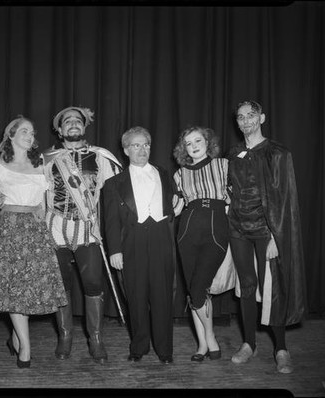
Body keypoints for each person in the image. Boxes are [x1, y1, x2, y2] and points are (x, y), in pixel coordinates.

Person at [0, 116, 68, 368]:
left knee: (27, 291)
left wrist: (49, 232)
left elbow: (45, 203)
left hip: (35, 232)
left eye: (32, 132)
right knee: (14, 290)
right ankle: (25, 347)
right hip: (8, 229)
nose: (30, 135)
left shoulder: (42, 166)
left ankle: (16, 335)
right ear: (10, 135)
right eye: (24, 131)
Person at [227, 100, 306, 374]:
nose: (246, 121)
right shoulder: (234, 153)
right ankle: (249, 344)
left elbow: (285, 201)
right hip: (238, 230)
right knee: (246, 286)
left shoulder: (277, 153)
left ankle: (281, 348)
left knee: (274, 291)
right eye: (240, 117)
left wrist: (276, 236)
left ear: (262, 118)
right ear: (237, 122)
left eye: (251, 115)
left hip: (265, 232)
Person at [42, 106, 122, 364]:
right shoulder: (47, 159)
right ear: (60, 129)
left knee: (93, 285)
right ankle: (65, 336)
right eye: (68, 121)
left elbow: (113, 196)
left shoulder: (101, 157)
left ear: (85, 127)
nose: (73, 124)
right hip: (55, 229)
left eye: (78, 121)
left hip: (88, 231)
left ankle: (95, 339)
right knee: (60, 287)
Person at [103, 126, 176, 364]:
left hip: (160, 240)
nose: (142, 149)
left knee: (162, 296)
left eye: (146, 144)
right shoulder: (113, 183)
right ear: (126, 150)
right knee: (135, 297)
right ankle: (139, 347)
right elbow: (111, 221)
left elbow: (173, 206)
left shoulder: (164, 174)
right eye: (136, 145)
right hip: (131, 242)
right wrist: (115, 250)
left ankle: (165, 350)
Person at [172, 126, 232, 362]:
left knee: (199, 287)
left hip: (216, 228)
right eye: (188, 143)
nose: (194, 145)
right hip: (188, 229)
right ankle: (202, 345)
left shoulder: (224, 165)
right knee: (194, 290)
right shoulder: (179, 174)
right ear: (183, 148)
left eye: (198, 140)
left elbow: (237, 195)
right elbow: (176, 208)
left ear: (208, 143)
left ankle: (210, 337)